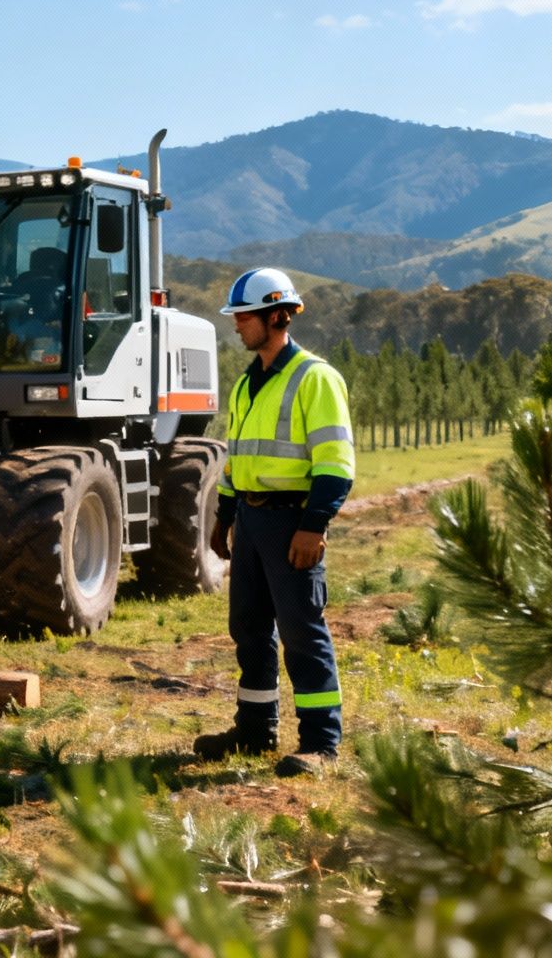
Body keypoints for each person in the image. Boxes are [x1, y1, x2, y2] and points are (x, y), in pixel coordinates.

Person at [193, 267, 355, 777]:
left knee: (303, 633)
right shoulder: (246, 384)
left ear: (276, 315)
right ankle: (255, 729)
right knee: (249, 628)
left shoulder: (316, 378)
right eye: (236, 317)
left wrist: (314, 526)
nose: (236, 325)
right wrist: (223, 517)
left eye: (244, 316)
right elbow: (236, 459)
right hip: (252, 524)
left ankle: (320, 744)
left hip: (293, 525)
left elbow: (335, 465)